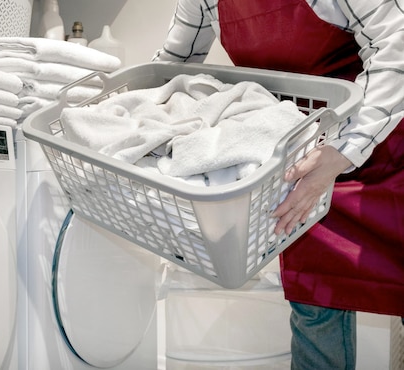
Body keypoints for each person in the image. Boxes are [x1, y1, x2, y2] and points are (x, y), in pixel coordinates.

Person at [153, 0, 404, 368]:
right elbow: (172, 65)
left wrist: (342, 151)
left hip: (387, 142)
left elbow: (396, 49)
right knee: (315, 301)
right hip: (306, 160)